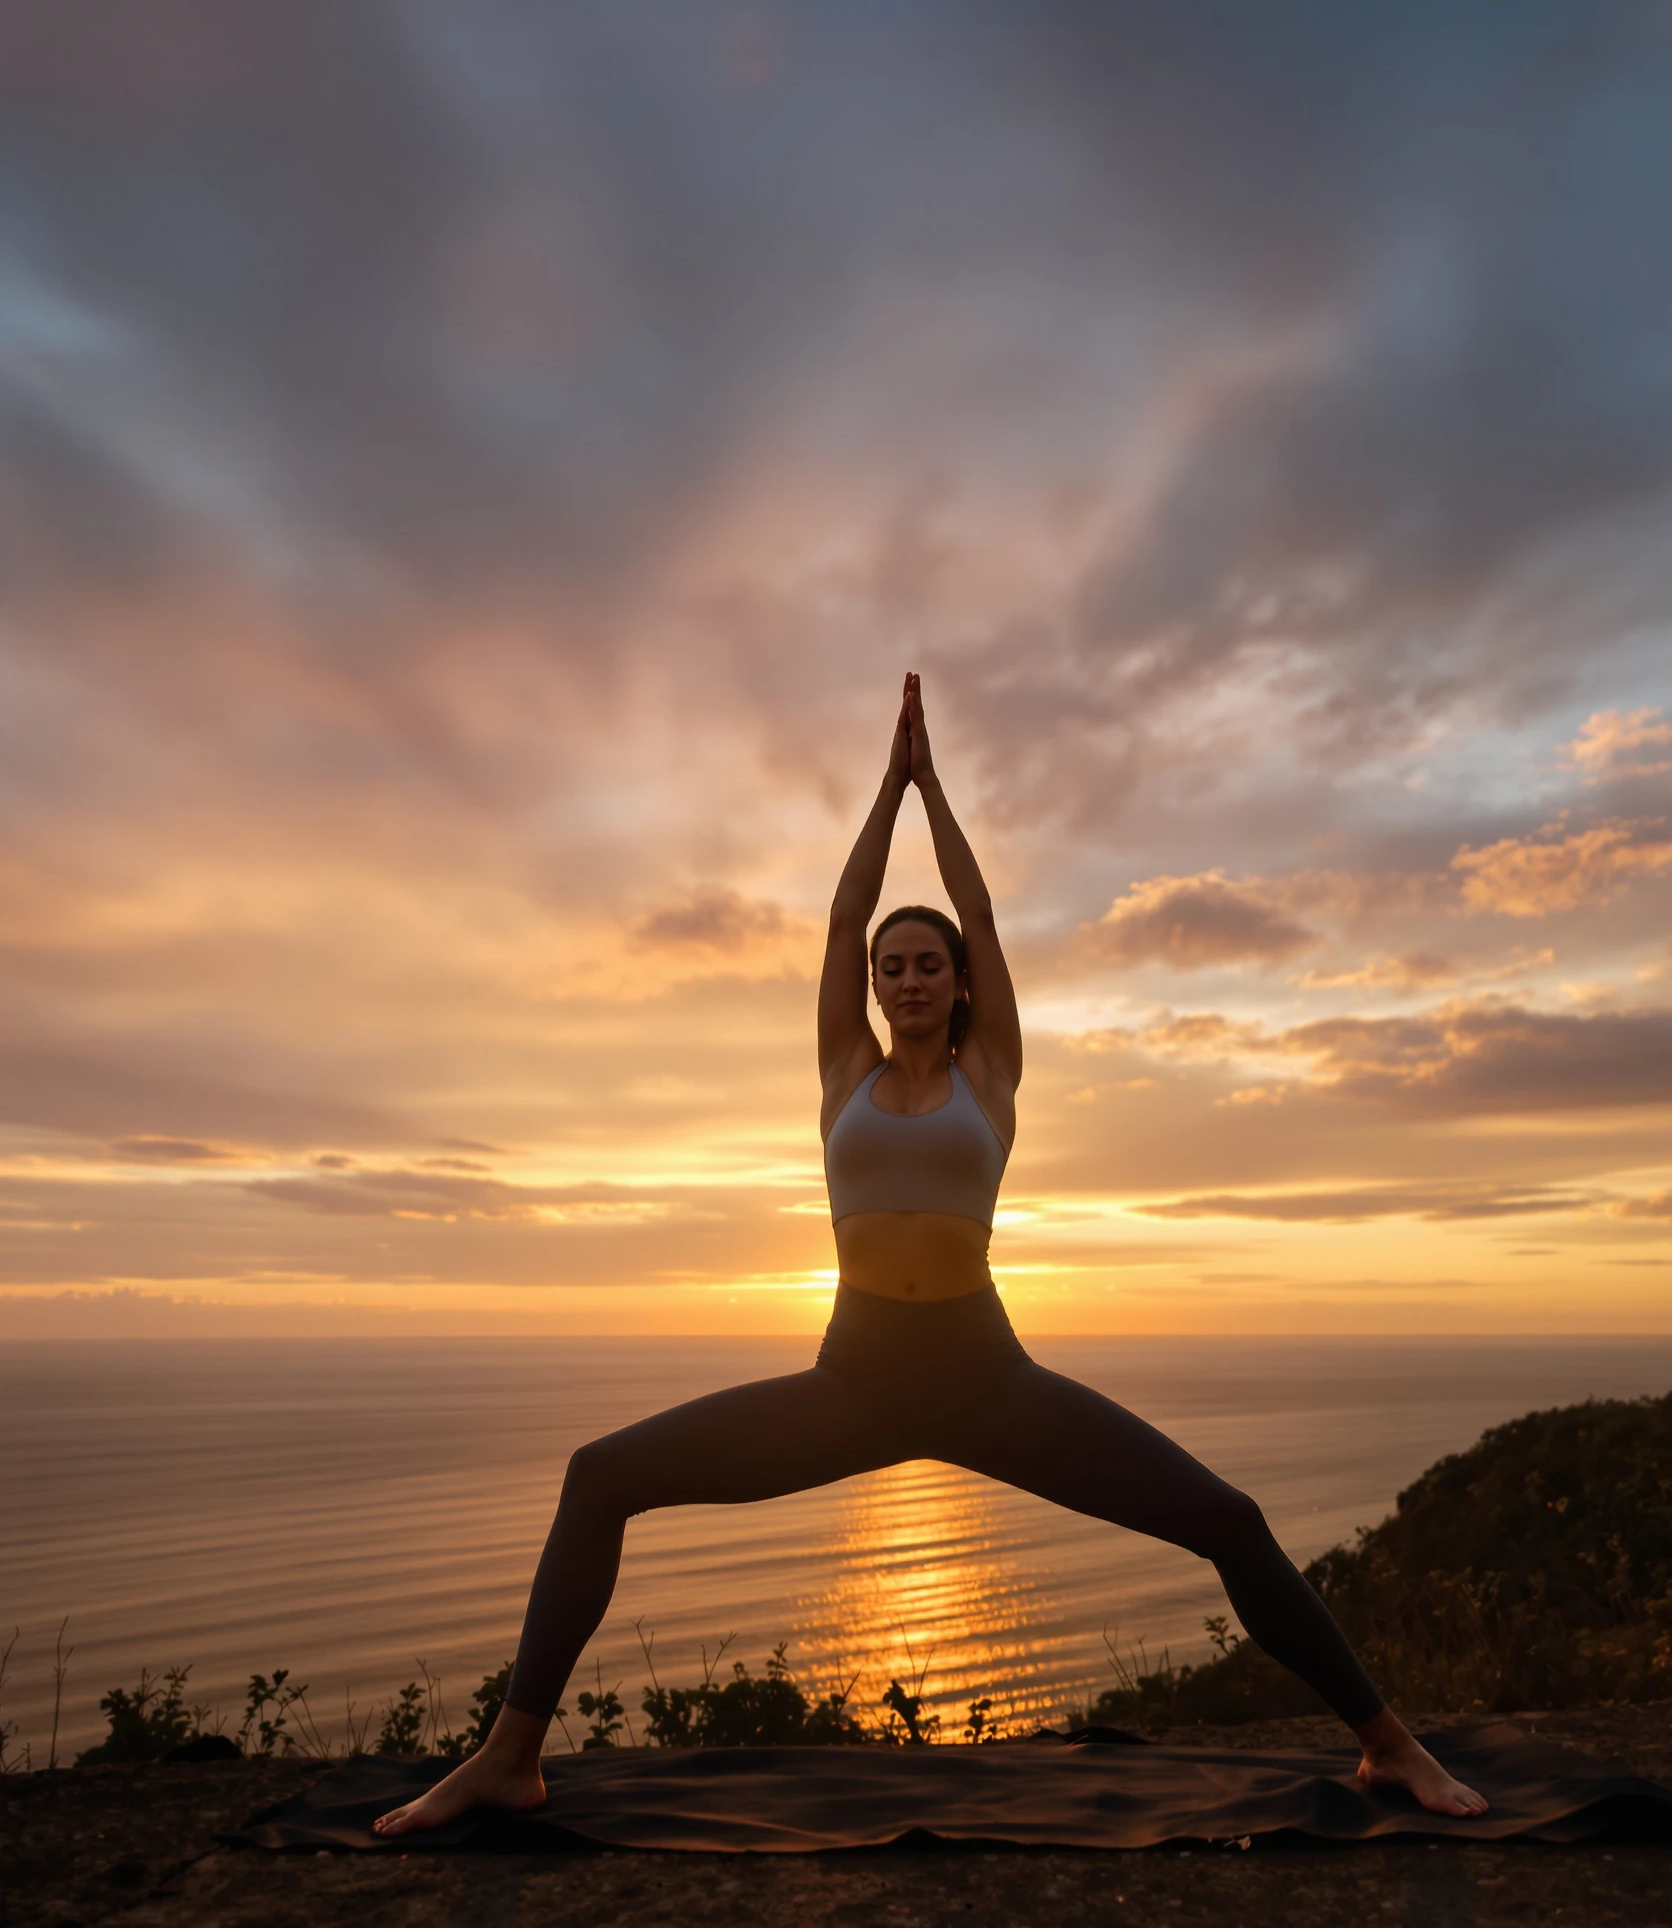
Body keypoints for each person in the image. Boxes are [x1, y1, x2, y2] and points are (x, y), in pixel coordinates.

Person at [375, 674, 1484, 1833]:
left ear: (958, 987)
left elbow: (986, 916)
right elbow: (842, 917)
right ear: (874, 987)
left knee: (1229, 1519)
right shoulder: (841, 1075)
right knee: (599, 1474)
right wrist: (882, 789)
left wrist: (933, 788)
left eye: (928, 965)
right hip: (851, 1379)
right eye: (892, 967)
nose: (907, 976)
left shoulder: (989, 1076)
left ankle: (1386, 1747)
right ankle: (510, 1755)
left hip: (985, 1377)